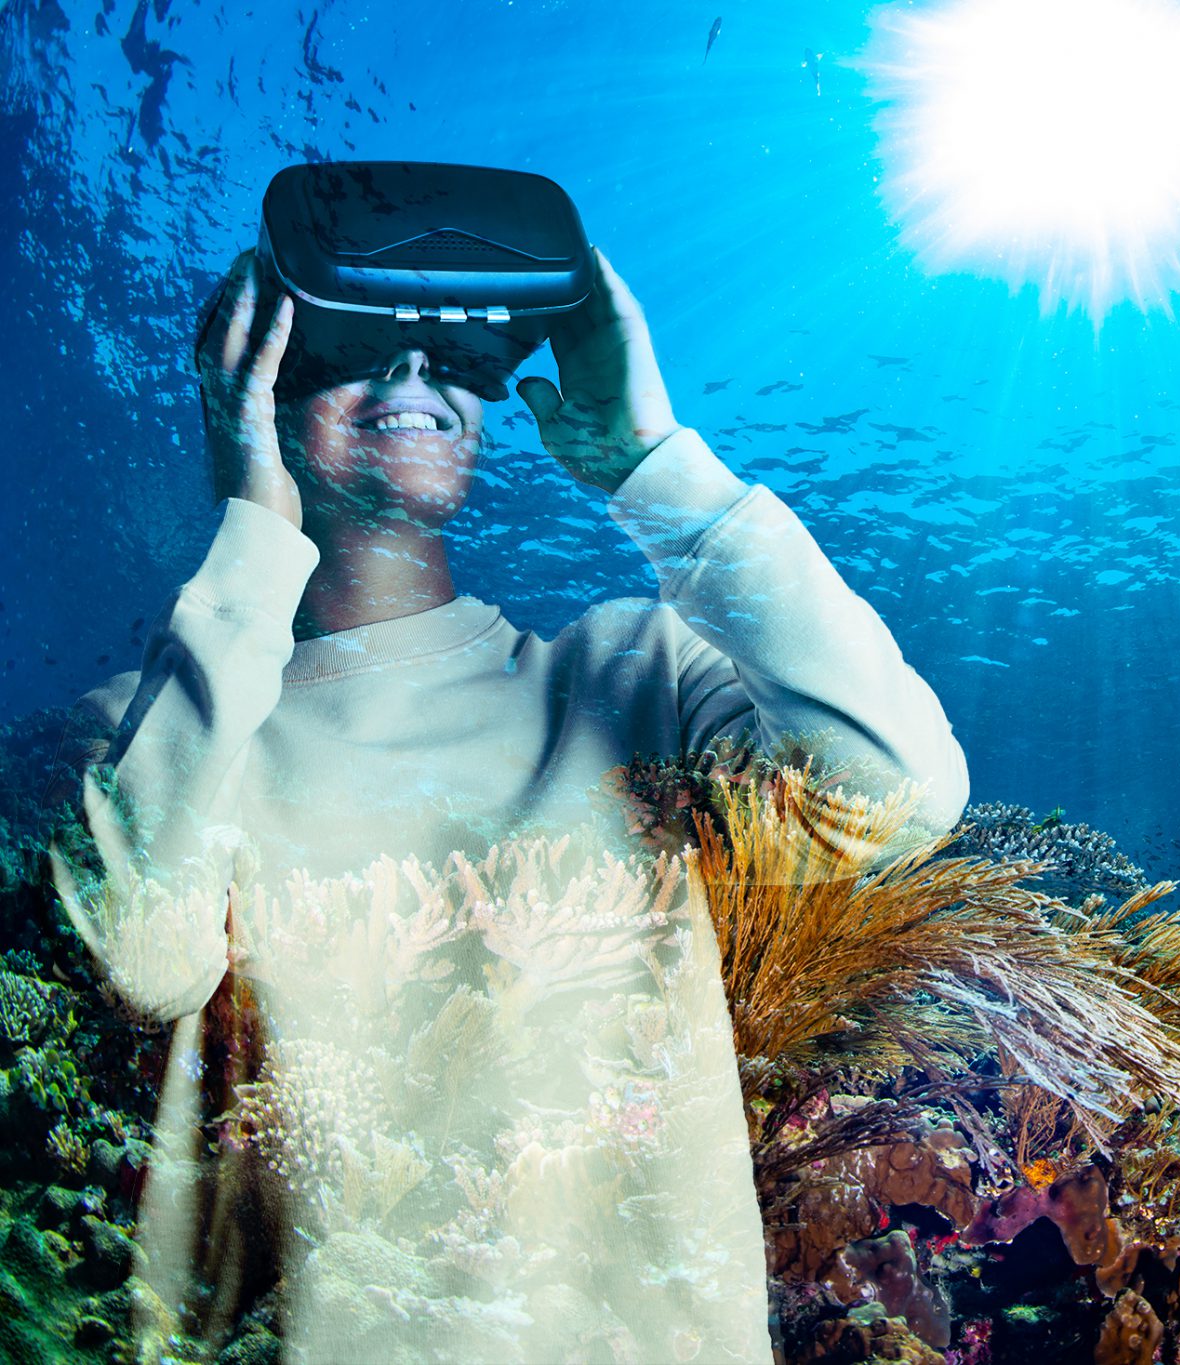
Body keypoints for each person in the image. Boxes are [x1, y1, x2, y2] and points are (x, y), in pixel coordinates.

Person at [45, 237, 970, 1362]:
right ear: (258, 392)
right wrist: (249, 520)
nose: (411, 374)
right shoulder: (145, 729)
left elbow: (900, 795)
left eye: (450, 351)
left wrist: (651, 462)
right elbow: (141, 962)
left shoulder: (635, 679)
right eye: (351, 346)